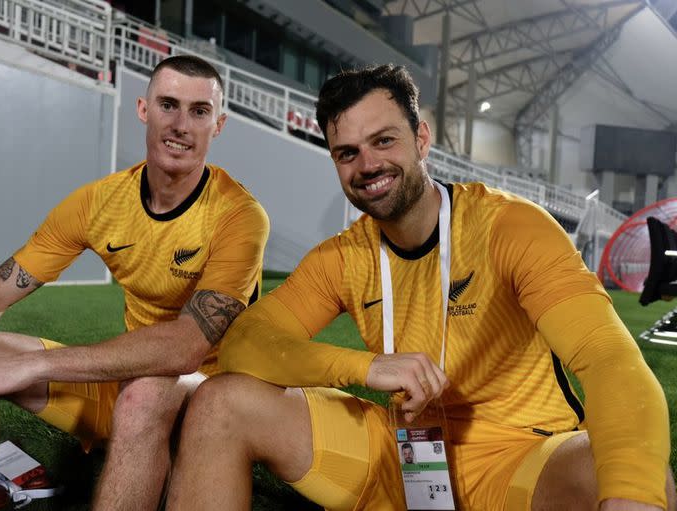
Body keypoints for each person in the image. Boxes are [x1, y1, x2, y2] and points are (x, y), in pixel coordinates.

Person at [164, 64, 676, 511]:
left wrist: (632, 491)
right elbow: (245, 343)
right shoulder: (343, 256)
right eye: (347, 153)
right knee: (220, 403)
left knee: (638, 477)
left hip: (520, 458)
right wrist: (364, 367)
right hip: (402, 452)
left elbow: (609, 359)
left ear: (422, 139)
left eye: (384, 141)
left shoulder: (508, 227)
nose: (367, 165)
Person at [0, 54, 269, 510]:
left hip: (207, 398)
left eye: (199, 111)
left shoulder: (239, 215)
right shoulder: (99, 203)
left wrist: (35, 366)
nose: (180, 124)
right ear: (143, 109)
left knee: (146, 391)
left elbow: (186, 348)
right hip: (128, 380)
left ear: (218, 125)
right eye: (168, 105)